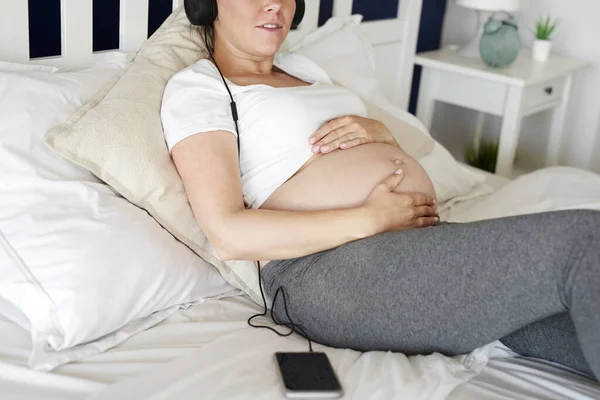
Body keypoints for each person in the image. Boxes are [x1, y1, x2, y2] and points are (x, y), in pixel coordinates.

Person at [161, 0, 600, 381]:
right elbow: (227, 233)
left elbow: (374, 152)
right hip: (324, 273)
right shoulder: (198, 88)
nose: (276, 5)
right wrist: (368, 219)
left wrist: (383, 134)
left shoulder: (304, 68)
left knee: (567, 320)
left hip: (411, 244)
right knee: (585, 240)